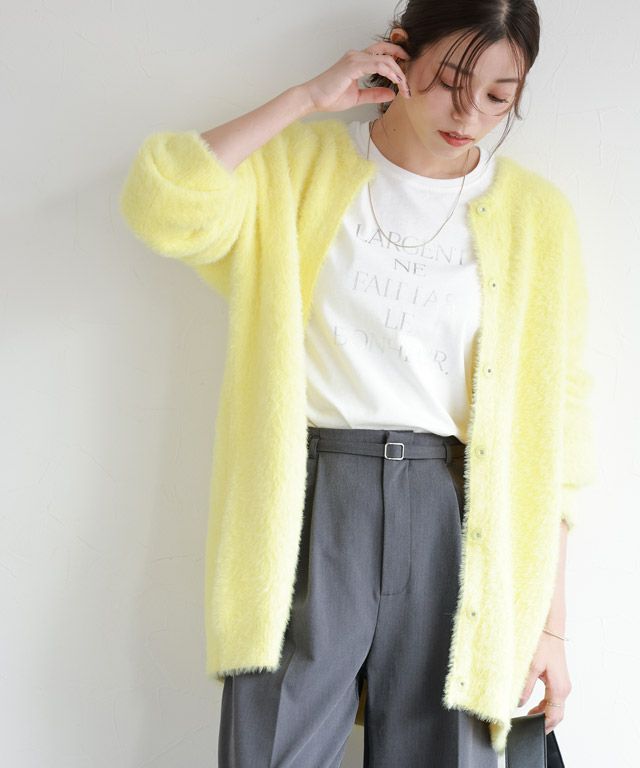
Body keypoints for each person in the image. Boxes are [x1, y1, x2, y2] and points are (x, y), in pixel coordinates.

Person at [119, 0, 597, 765]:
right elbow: (163, 203)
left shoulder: (536, 218)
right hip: (306, 507)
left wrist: (550, 628)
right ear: (398, 55)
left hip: (458, 515)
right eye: (449, 82)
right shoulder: (296, 171)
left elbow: (558, 445)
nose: (469, 114)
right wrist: (306, 98)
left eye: (498, 96)